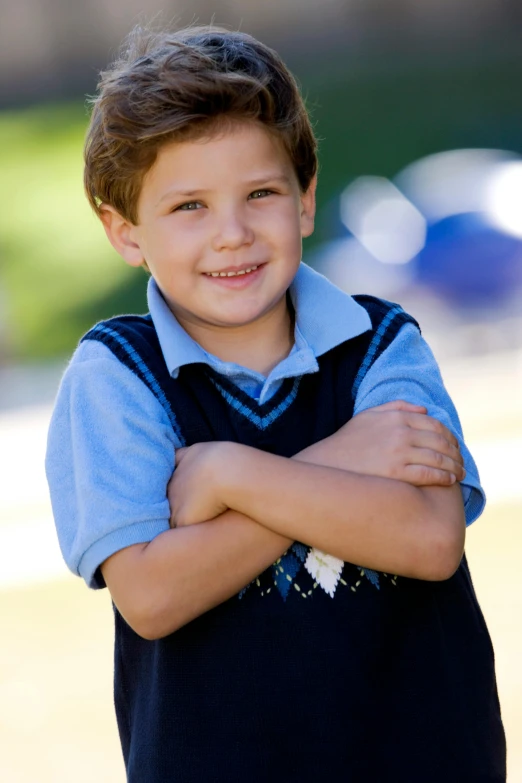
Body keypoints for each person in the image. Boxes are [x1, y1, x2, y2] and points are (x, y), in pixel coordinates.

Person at [45, 24, 506, 782]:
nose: (232, 234)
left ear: (305, 199)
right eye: (189, 206)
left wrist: (228, 475)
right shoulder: (117, 375)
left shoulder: (382, 343)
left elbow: (428, 540)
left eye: (260, 193)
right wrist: (343, 460)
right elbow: (155, 594)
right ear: (124, 231)